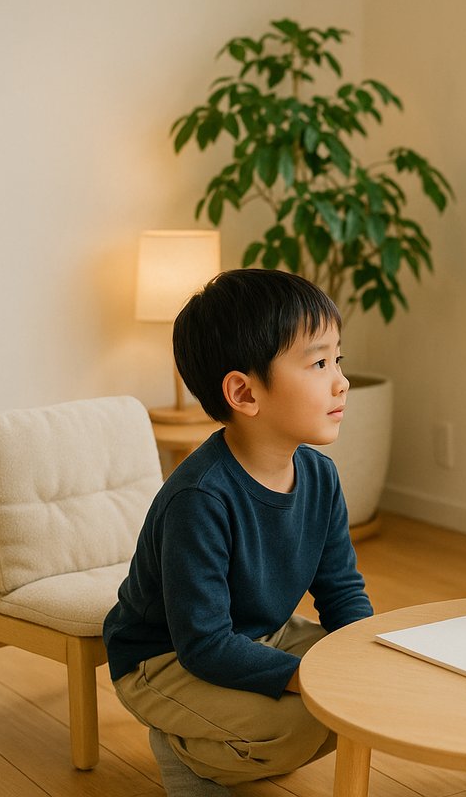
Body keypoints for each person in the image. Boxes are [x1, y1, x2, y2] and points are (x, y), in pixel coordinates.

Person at [104, 268, 373, 796]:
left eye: (337, 359)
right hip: (164, 658)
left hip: (258, 633)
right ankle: (184, 750)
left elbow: (341, 591)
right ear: (243, 393)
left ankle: (232, 735)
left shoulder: (320, 476)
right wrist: (308, 680)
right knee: (302, 721)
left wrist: (360, 660)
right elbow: (202, 643)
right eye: (318, 363)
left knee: (358, 698)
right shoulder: (199, 498)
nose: (341, 381)